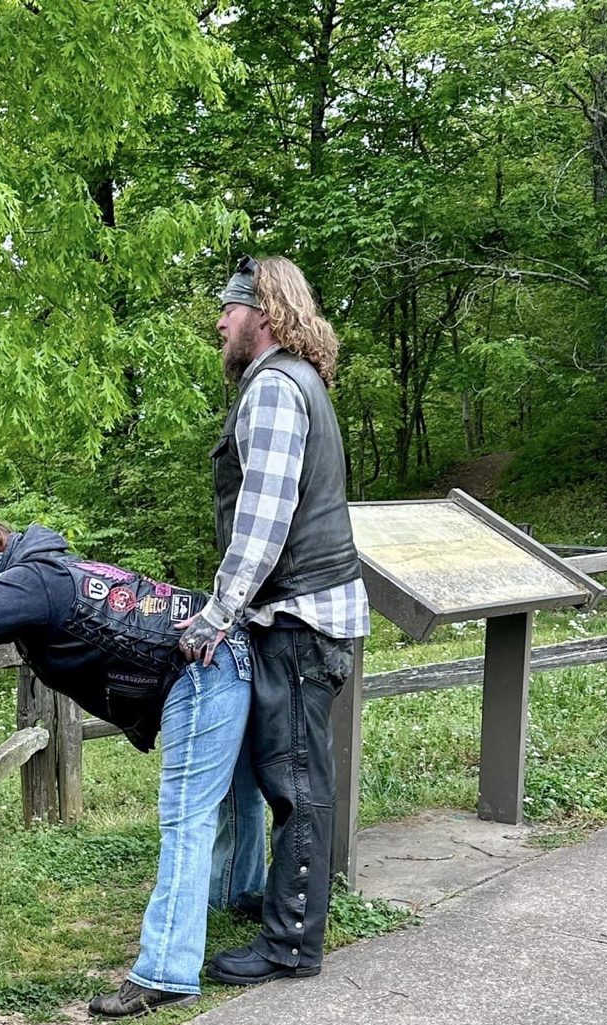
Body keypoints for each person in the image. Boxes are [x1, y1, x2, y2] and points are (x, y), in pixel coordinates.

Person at [0, 521, 266, 1015]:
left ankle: (167, 973)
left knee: (187, 816)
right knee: (235, 792)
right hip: (223, 654)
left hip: (202, 666)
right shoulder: (51, 570)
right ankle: (238, 894)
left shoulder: (35, 579)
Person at [175, 255, 370, 986]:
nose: (219, 323)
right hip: (304, 614)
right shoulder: (296, 381)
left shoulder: (276, 388)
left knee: (294, 782)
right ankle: (285, 910)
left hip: (296, 617)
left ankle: (291, 943)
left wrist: (217, 615)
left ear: (261, 311)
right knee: (291, 772)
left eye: (228, 310)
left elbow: (264, 519)